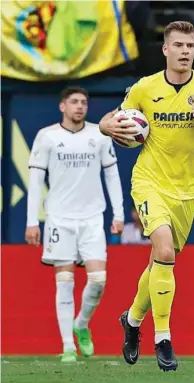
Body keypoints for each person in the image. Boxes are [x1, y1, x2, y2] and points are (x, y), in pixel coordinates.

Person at [99, 21, 194, 371]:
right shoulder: (145, 88)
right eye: (178, 45)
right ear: (165, 49)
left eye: (190, 46)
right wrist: (106, 126)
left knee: (159, 263)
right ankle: (163, 338)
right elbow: (110, 118)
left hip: (188, 190)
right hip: (149, 181)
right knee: (163, 250)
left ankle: (132, 321)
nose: (184, 51)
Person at [25, 86, 124, 363]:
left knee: (98, 280)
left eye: (83, 102)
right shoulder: (47, 137)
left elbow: (112, 176)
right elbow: (35, 183)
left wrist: (118, 214)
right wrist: (33, 222)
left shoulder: (100, 135)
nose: (80, 107)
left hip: (92, 217)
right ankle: (68, 345)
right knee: (65, 281)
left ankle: (81, 323)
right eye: (74, 102)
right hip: (59, 217)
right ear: (62, 107)